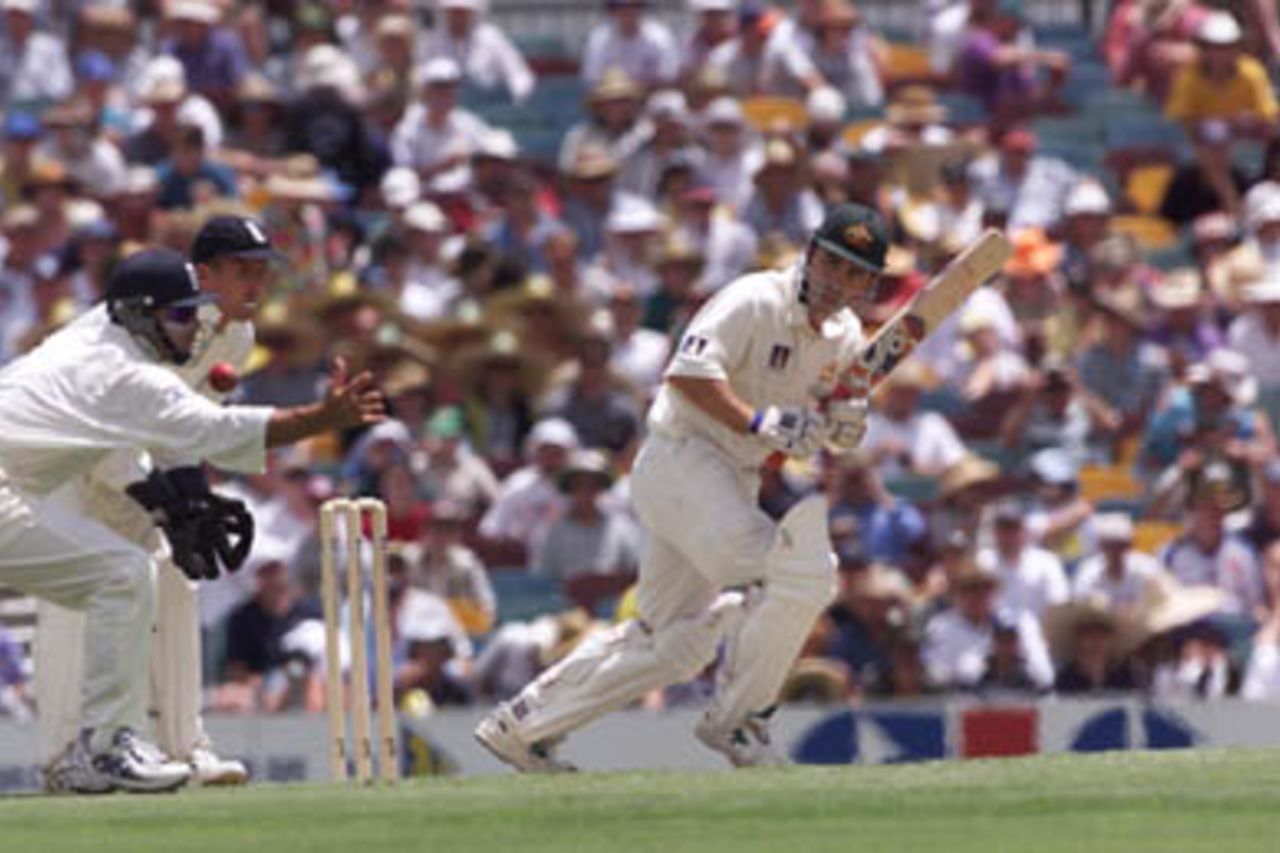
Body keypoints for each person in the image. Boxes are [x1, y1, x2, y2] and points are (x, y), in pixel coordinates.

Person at [474, 203, 883, 771]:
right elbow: (687, 374)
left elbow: (834, 415)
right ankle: (739, 721)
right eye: (832, 263)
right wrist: (761, 422)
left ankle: (522, 726)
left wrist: (845, 426)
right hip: (681, 459)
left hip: (727, 483)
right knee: (805, 571)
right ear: (811, 254)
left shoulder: (845, 335)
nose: (838, 281)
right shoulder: (755, 298)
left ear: (868, 283)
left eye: (855, 273)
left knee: (671, 645)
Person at [0, 247, 382, 793]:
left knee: (121, 573)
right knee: (122, 574)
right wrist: (321, 419)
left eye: (195, 311)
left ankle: (103, 746)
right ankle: (105, 749)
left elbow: (135, 442)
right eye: (180, 315)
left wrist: (171, 494)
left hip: (16, 491)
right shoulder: (127, 376)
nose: (194, 326)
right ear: (138, 314)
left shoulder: (92, 330)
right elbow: (218, 433)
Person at [35, 216, 285, 789]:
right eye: (242, 271)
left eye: (261, 271)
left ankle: (186, 747)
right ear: (206, 273)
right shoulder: (136, 317)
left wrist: (188, 494)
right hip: (69, 465)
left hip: (134, 466)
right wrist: (159, 489)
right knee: (78, 601)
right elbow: (102, 420)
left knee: (177, 578)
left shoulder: (236, 338)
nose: (256, 285)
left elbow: (181, 426)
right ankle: (62, 759)